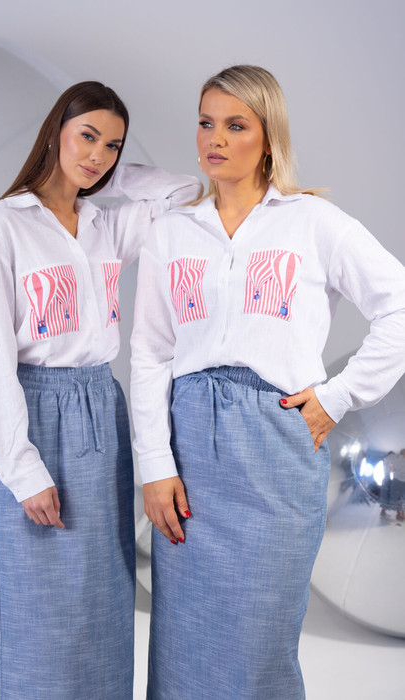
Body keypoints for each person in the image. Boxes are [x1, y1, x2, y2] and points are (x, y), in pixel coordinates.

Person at [130, 65, 405, 699]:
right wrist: (154, 464)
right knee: (183, 638)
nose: (215, 138)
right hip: (188, 446)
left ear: (269, 136)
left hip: (275, 444)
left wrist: (338, 396)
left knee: (260, 638)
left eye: (236, 125)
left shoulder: (312, 222)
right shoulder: (172, 232)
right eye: (206, 123)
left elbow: (397, 304)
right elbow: (149, 354)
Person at [0, 80, 201, 700]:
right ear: (55, 132)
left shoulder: (106, 224)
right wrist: (22, 469)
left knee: (102, 586)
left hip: (101, 405)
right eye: (87, 136)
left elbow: (184, 195)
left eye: (113, 146)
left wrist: (113, 177)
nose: (98, 155)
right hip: (35, 411)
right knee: (37, 596)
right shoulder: (3, 224)